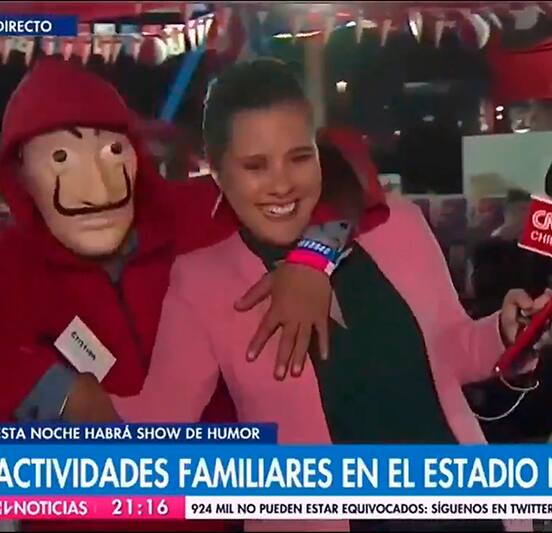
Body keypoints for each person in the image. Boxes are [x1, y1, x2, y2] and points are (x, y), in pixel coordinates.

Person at [63, 59, 552, 532]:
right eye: (255, 166)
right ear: (216, 172)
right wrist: (53, 386)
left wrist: (508, 333)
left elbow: (454, 349)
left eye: (298, 157)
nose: (282, 184)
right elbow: (157, 425)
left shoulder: (396, 226)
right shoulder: (202, 282)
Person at [0, 58, 375, 531]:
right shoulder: (12, 262)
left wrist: (311, 259)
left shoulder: (194, 214)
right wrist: (50, 389)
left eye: (112, 150)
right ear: (20, 174)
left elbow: (339, 185)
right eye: (60, 158)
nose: (96, 185)